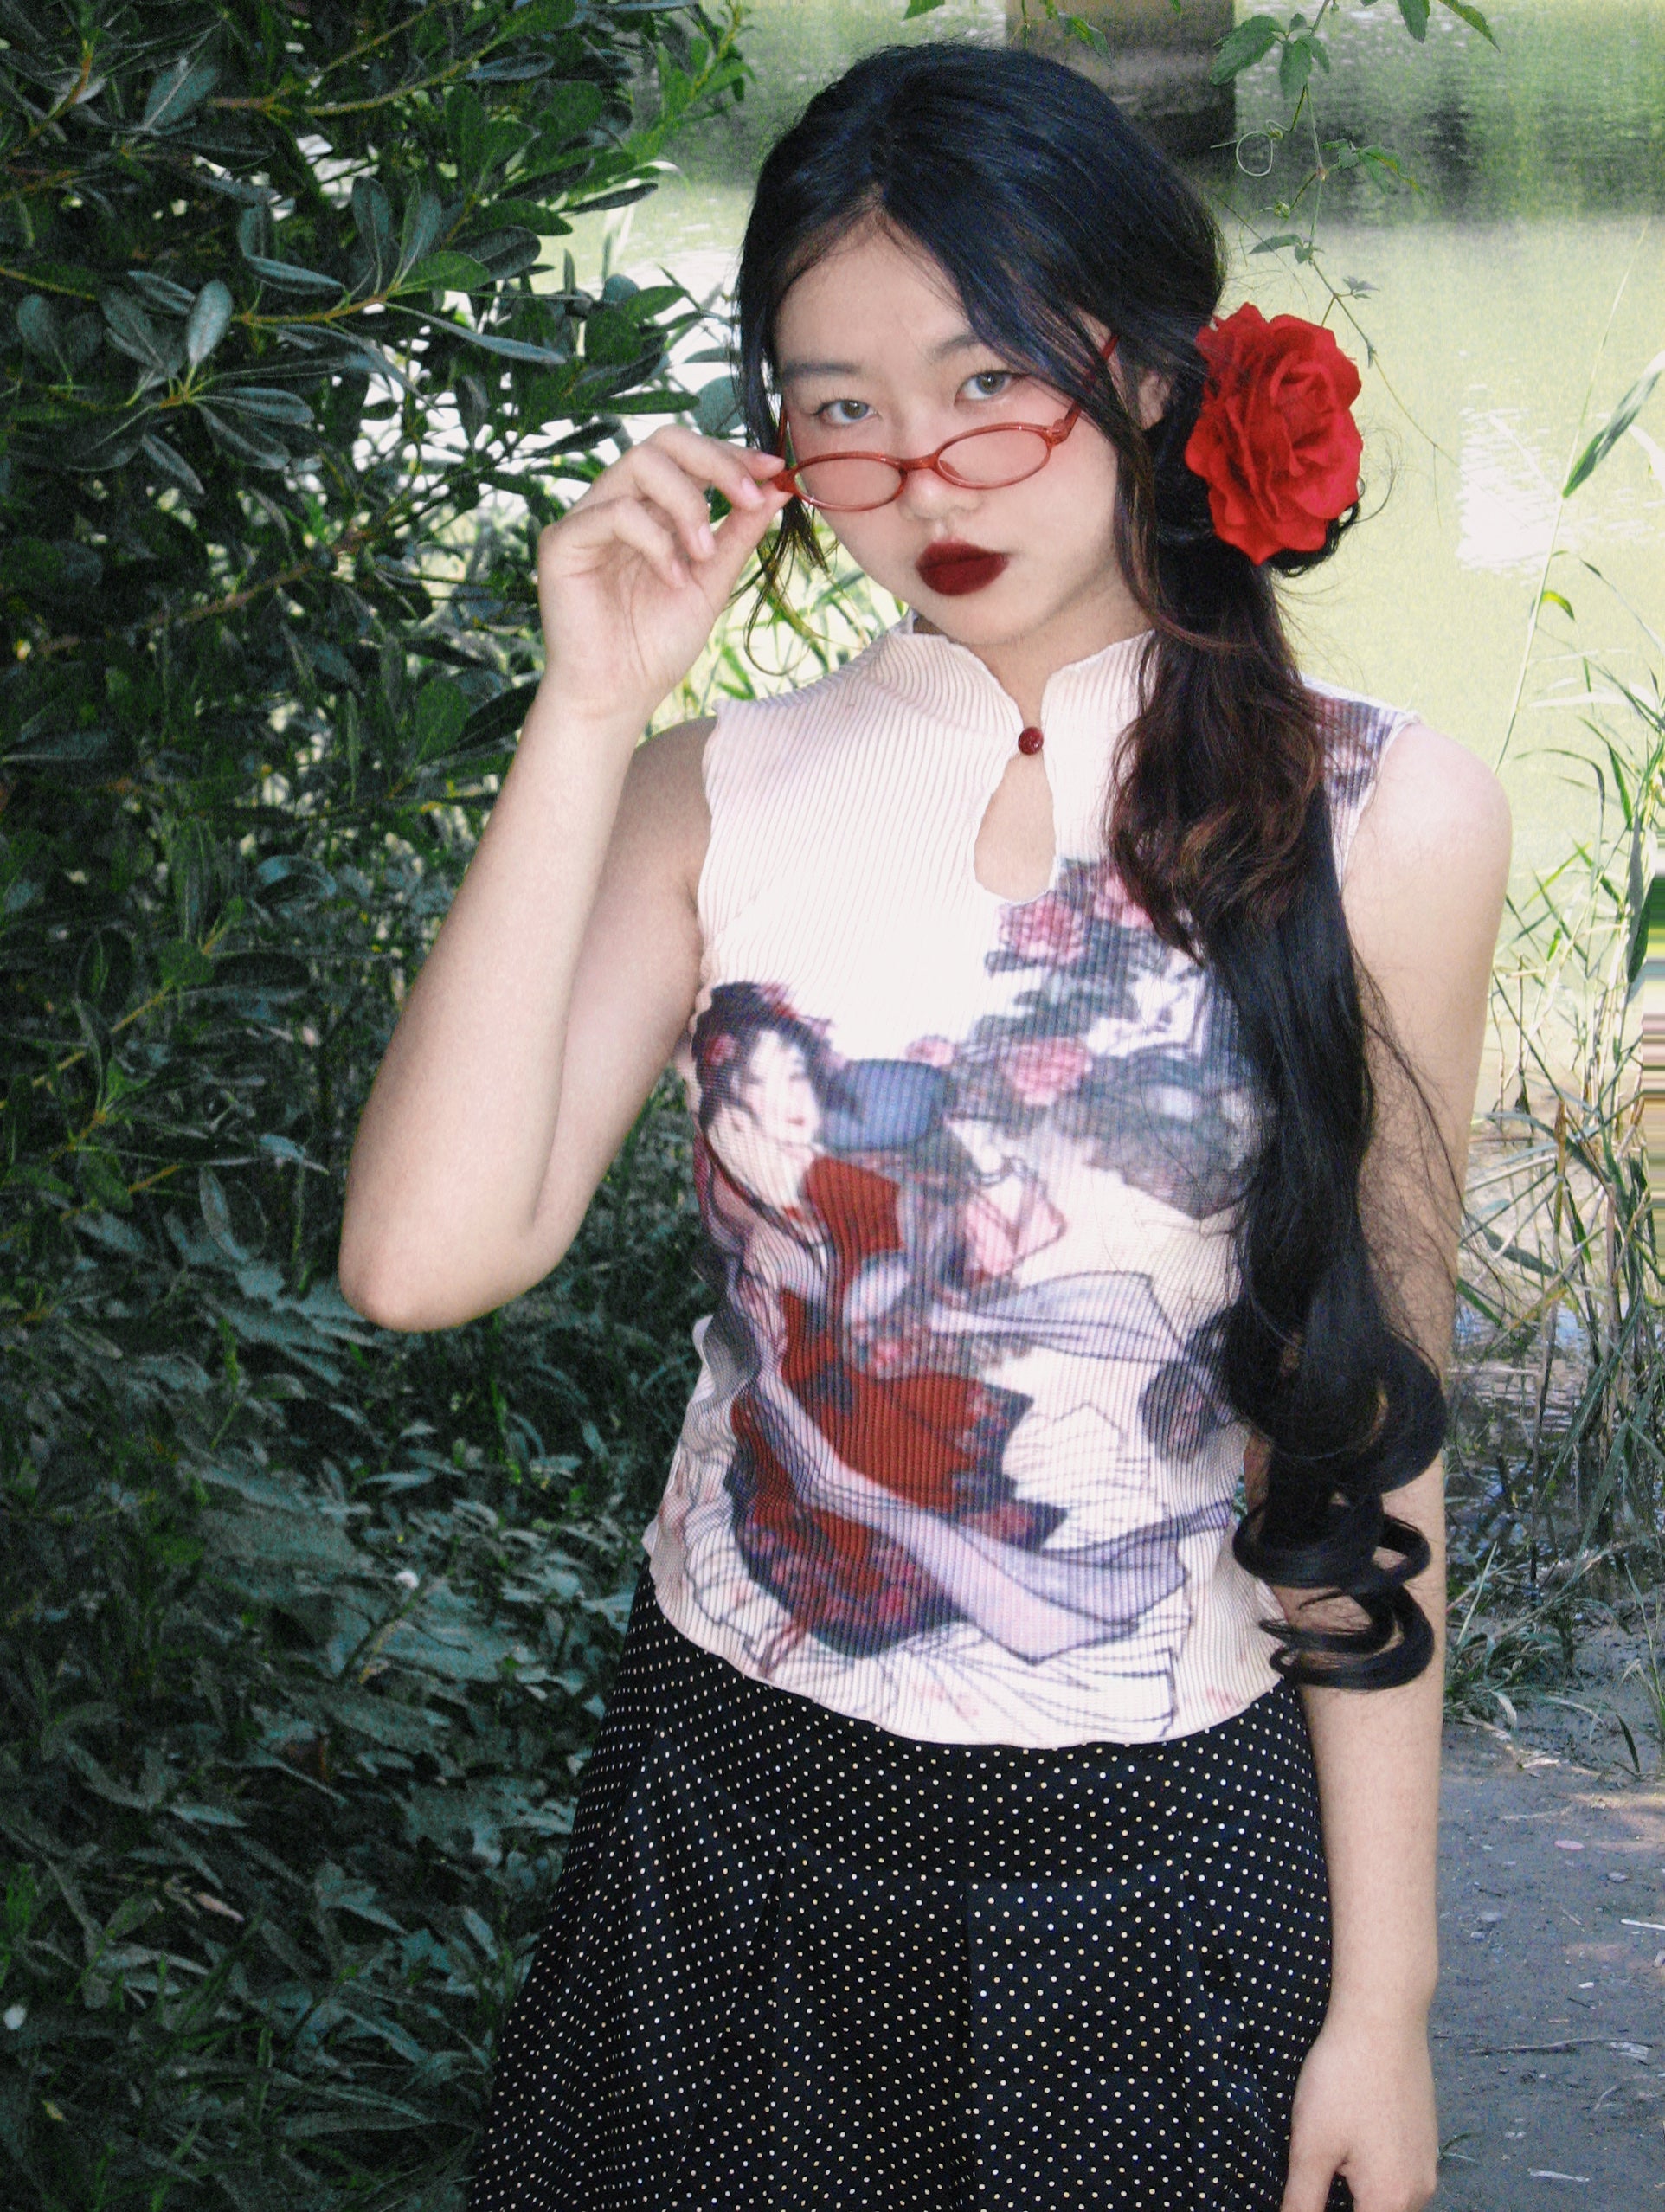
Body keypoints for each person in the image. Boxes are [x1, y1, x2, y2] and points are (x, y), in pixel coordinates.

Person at [338, 39, 1511, 2212]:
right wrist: (587, 713)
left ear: (1144, 370)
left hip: (1163, 1861)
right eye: (836, 407)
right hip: (729, 1812)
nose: (918, 478)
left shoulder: (1382, 812)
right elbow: (422, 1259)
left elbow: (1369, 1431)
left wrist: (1382, 2004)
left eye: (985, 382)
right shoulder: (715, 793)